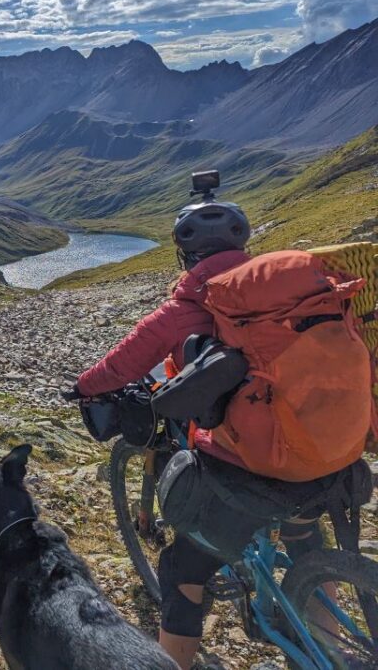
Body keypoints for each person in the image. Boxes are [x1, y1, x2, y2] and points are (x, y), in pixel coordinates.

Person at [63, 194, 329, 669]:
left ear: (186, 256)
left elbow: (122, 364)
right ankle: (337, 641)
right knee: (304, 532)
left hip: (256, 467)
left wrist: (82, 388)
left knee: (182, 570)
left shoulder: (185, 307)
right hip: (329, 451)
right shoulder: (290, 290)